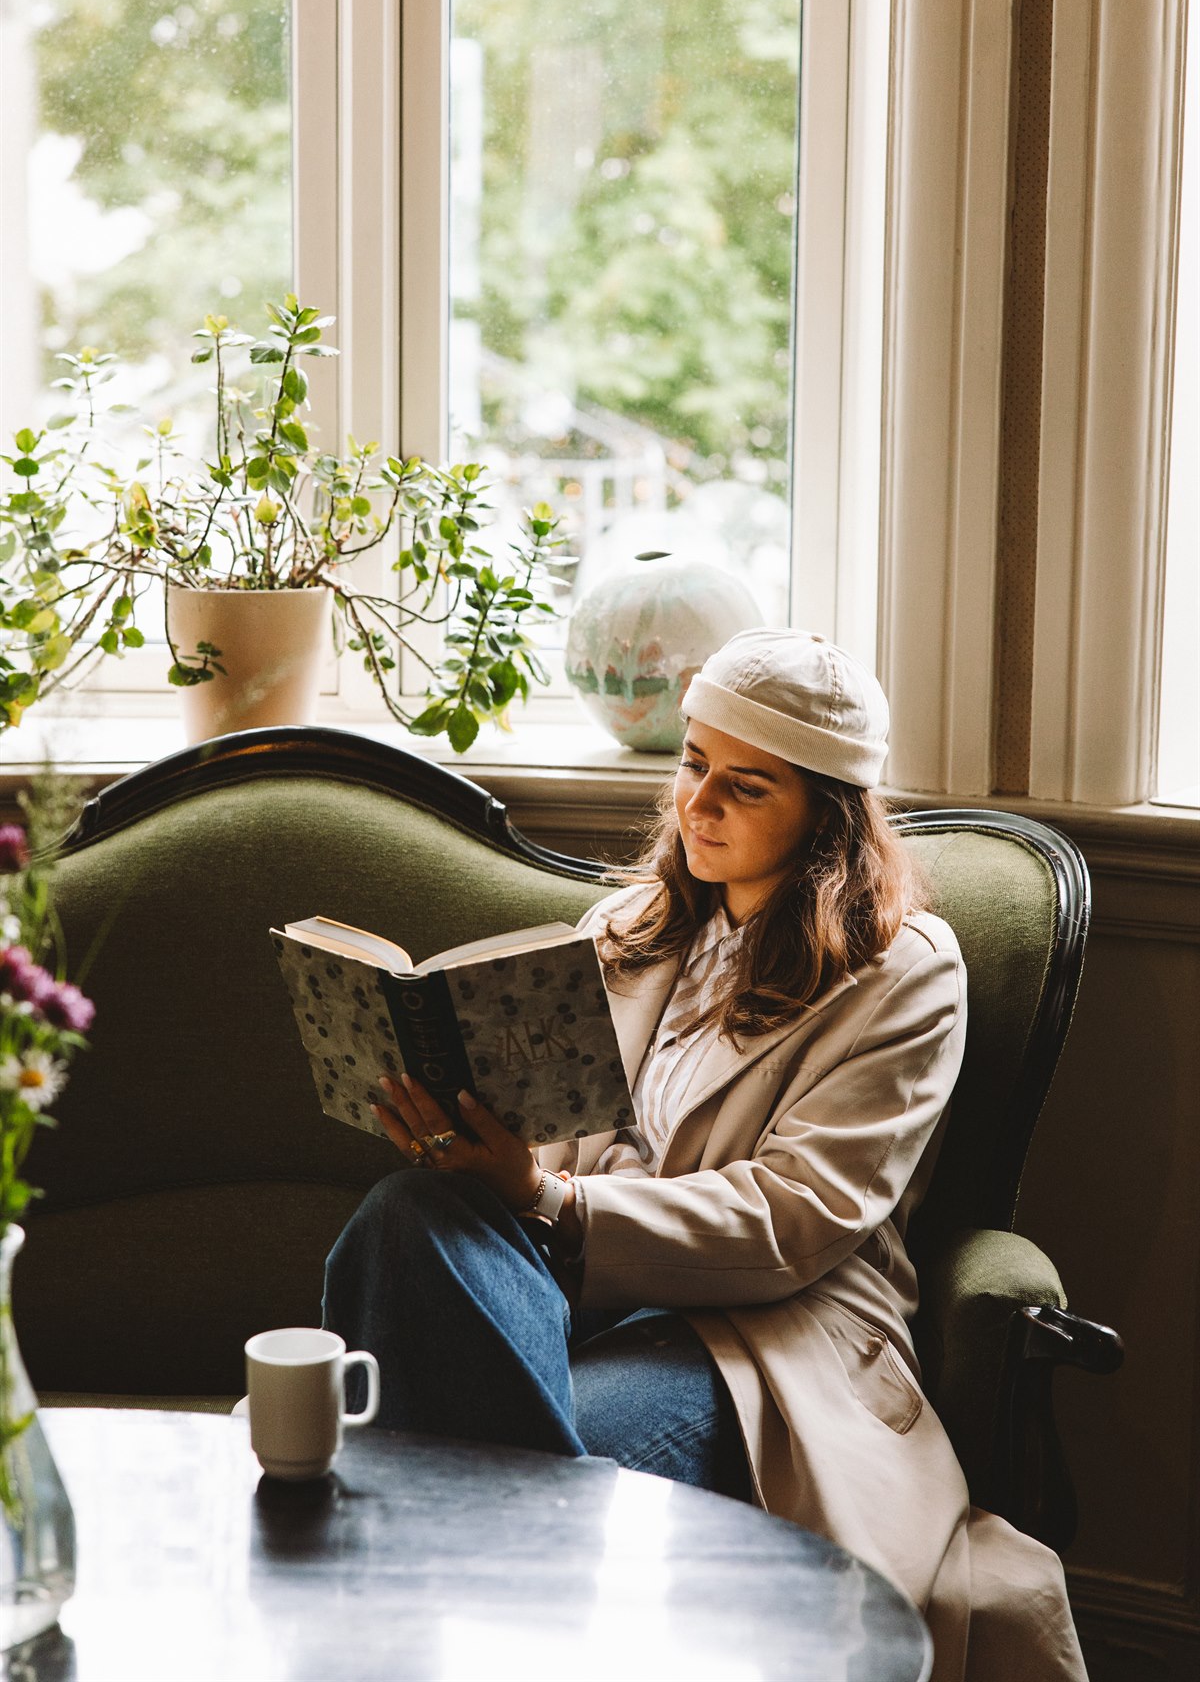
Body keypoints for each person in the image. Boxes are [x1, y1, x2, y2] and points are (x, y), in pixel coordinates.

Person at [323, 627, 1087, 1682]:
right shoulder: (625, 926)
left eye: (747, 785)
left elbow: (796, 1218)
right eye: (693, 765)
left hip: (759, 1339)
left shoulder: (904, 972)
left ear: (827, 813)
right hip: (576, 1293)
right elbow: (557, 1143)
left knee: (465, 1463)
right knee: (408, 1212)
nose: (700, 803)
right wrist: (476, 1144)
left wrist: (551, 1197)